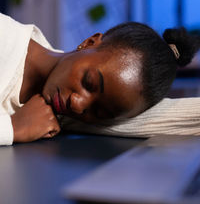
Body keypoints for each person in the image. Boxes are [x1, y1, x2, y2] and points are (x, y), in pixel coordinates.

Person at [0, 13, 199, 145]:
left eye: (99, 112)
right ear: (89, 42)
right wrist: (13, 128)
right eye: (89, 83)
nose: (77, 106)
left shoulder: (60, 112)